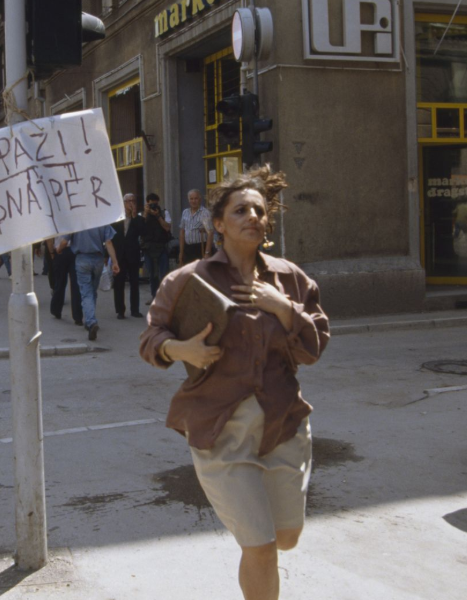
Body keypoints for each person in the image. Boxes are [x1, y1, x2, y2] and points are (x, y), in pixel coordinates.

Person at [139, 165, 329, 600]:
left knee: (285, 538)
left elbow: (313, 348)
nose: (253, 217)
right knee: (260, 546)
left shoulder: (290, 278)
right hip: (220, 430)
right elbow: (150, 339)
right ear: (219, 224)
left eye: (259, 210)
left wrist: (283, 308)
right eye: (240, 210)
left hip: (283, 424)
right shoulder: (187, 279)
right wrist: (180, 349)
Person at [70, 225, 120, 340]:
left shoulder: (76, 219)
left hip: (82, 259)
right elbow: (108, 242)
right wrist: (115, 262)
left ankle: (91, 321)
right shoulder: (101, 220)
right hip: (98, 259)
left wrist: (57, 249)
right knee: (92, 291)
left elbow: (64, 240)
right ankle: (90, 319)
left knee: (86, 293)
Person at [111, 193, 146, 319]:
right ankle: (120, 310)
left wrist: (135, 216)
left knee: (134, 282)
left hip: (133, 254)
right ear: (123, 203)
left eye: (133, 201)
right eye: (128, 201)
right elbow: (110, 237)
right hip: (119, 254)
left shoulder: (139, 218)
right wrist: (107, 256)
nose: (131, 203)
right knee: (119, 283)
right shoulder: (117, 217)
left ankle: (135, 309)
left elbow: (142, 232)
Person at [142, 192, 173, 302]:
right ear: (147, 204)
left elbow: (167, 228)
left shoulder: (164, 213)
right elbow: (140, 229)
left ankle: (164, 297)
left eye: (155, 204)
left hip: (161, 246)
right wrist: (146, 213)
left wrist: (158, 216)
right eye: (151, 204)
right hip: (148, 247)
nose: (153, 206)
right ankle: (154, 296)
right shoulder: (144, 215)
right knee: (152, 274)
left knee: (164, 274)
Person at [48, 234, 83, 325]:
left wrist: (52, 252)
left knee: (59, 282)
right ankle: (78, 316)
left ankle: (56, 310)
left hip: (60, 251)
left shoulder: (55, 223)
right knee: (76, 285)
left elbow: (49, 238)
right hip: (74, 251)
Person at [179, 188, 213, 265]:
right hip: (188, 248)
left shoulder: (205, 213)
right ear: (188, 200)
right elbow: (182, 231)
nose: (193, 201)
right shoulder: (185, 212)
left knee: (200, 271)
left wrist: (207, 252)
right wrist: (181, 252)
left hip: (200, 248)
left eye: (196, 198)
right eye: (191, 199)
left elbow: (210, 233)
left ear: (200, 199)